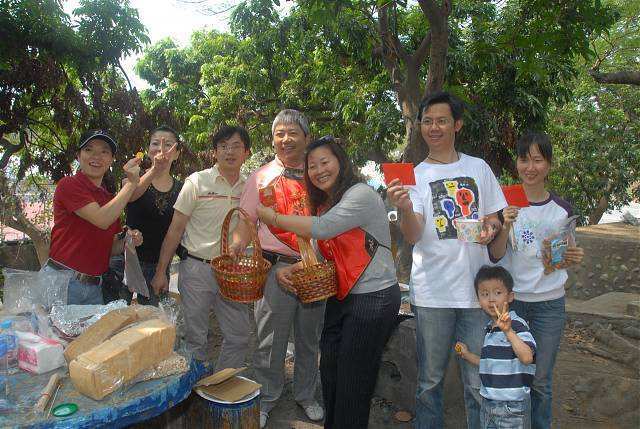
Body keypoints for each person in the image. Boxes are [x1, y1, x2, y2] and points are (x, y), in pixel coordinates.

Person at [256, 136, 401, 428]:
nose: (319, 170)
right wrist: (293, 268)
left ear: (341, 162)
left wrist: (274, 218)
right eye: (312, 166)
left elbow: (322, 229)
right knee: (331, 371)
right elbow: (323, 251)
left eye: (325, 162)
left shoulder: (360, 194)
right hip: (342, 295)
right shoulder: (327, 203)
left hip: (373, 298)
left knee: (353, 380)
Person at [387, 91, 506, 429]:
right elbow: (413, 234)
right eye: (427, 121)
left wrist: (491, 227)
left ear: (457, 124)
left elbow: (494, 217)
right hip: (432, 294)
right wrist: (404, 208)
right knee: (430, 382)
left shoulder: (478, 168)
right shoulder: (414, 176)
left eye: (441, 120)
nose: (434, 127)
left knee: (477, 381)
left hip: (477, 294)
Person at [230, 109, 324, 428]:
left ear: (307, 138)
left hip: (314, 270)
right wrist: (237, 245)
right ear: (272, 140)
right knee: (270, 338)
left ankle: (306, 394)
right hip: (275, 269)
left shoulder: (319, 174)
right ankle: (267, 397)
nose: (285, 139)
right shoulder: (260, 177)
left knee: (309, 337)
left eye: (292, 133)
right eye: (279, 134)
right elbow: (246, 220)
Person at [488, 132, 584, 429]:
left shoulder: (563, 210)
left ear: (549, 165)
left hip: (549, 306)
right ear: (516, 163)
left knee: (540, 380)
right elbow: (495, 255)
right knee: (512, 377)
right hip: (512, 305)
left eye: (538, 160)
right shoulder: (505, 204)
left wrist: (571, 257)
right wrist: (505, 225)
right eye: (524, 160)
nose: (530, 167)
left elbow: (564, 257)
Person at [150, 125, 252, 369]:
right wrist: (161, 271)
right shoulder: (197, 181)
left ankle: (221, 384)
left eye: (236, 146)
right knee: (196, 338)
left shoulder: (250, 188)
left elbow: (251, 225)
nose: (229, 152)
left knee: (239, 336)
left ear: (247, 152)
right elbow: (175, 229)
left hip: (231, 272)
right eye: (223, 146)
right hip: (197, 270)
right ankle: (196, 386)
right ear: (214, 152)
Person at [46, 129, 143, 305]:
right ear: (78, 156)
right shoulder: (69, 185)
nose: (96, 156)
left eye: (104, 152)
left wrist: (128, 240)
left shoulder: (109, 199)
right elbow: (101, 219)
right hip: (63, 282)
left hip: (94, 287)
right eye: (89, 149)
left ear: (111, 160)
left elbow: (110, 248)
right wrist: (131, 184)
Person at [455, 265, 536, 429]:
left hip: (512, 407)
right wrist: (467, 354)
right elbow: (489, 363)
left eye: (497, 293)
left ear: (510, 296)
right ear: (478, 299)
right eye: (485, 294)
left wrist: (508, 331)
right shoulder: (489, 329)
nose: (491, 299)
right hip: (488, 404)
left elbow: (527, 357)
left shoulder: (517, 325)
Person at [122, 125, 181, 306]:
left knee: (154, 320)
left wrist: (161, 271)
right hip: (127, 262)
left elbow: (177, 231)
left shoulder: (182, 189)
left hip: (158, 268)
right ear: (148, 149)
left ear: (177, 154)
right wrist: (155, 169)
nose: (160, 149)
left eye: (168, 144)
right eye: (155, 143)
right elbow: (129, 196)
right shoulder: (132, 177)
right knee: (116, 318)